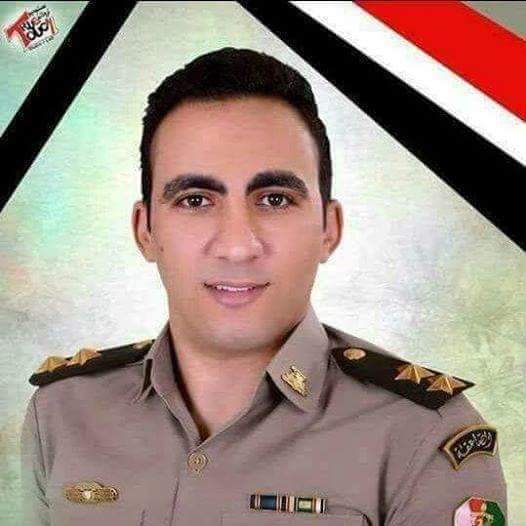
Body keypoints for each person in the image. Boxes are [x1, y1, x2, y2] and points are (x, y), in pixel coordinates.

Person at [20, 48, 507, 526]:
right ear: (145, 231)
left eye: (274, 199)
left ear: (329, 229)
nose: (237, 247)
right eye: (195, 200)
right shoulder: (62, 415)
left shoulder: (424, 436)